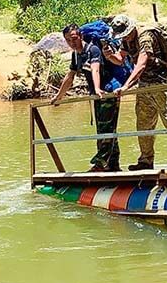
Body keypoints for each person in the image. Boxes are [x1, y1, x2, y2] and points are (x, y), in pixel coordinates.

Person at [109, 14, 167, 171]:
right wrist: (109, 55)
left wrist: (125, 87)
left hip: (162, 84)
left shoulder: (145, 36)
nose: (125, 38)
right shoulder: (126, 39)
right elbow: (120, 59)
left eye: (126, 34)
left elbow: (141, 64)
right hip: (145, 85)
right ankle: (146, 160)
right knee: (144, 123)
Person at [50, 24, 121, 172]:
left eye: (74, 38)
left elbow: (95, 69)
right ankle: (112, 164)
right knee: (103, 129)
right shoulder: (76, 55)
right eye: (68, 40)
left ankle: (102, 164)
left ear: (81, 36)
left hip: (107, 92)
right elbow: (70, 77)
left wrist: (96, 88)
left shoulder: (93, 50)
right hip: (97, 95)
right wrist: (59, 97)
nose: (72, 43)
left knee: (106, 129)